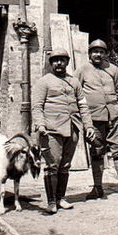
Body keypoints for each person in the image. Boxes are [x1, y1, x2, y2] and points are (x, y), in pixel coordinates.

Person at [31, 49, 95, 214]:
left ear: (67, 62)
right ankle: (51, 201)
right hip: (51, 130)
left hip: (72, 129)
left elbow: (83, 106)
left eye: (62, 60)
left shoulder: (74, 82)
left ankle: (61, 198)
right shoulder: (44, 82)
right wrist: (40, 125)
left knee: (65, 166)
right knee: (52, 165)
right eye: (55, 60)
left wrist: (88, 126)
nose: (59, 63)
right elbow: (37, 106)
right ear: (51, 63)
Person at [75, 39, 118, 199]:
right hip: (94, 118)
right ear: (90, 53)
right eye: (95, 51)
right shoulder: (82, 70)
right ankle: (97, 188)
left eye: (101, 52)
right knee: (97, 151)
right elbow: (75, 91)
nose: (98, 54)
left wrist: (110, 103)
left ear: (106, 54)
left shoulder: (113, 69)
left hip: (115, 115)